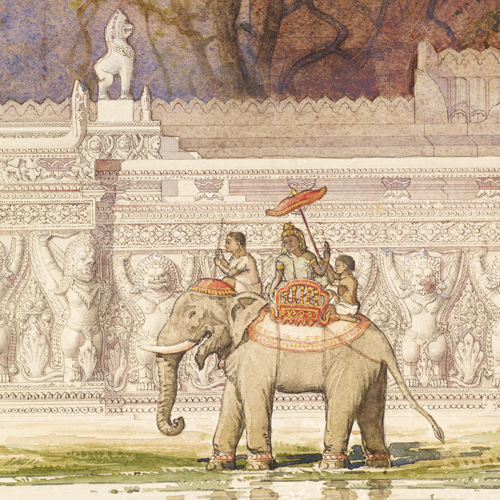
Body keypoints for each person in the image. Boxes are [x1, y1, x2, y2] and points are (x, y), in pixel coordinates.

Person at [269, 223, 330, 297]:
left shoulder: (309, 256)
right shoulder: (281, 259)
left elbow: (320, 272)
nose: (289, 244)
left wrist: (326, 259)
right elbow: (278, 277)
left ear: (299, 240)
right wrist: (272, 290)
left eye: (291, 241)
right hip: (290, 291)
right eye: (286, 242)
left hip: (308, 291)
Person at [326, 254, 360, 322]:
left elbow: (332, 281)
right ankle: (347, 315)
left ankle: (345, 317)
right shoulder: (349, 277)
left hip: (347, 307)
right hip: (349, 306)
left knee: (329, 308)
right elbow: (336, 276)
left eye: (338, 266)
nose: (336, 268)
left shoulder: (347, 280)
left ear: (345, 266)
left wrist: (327, 266)